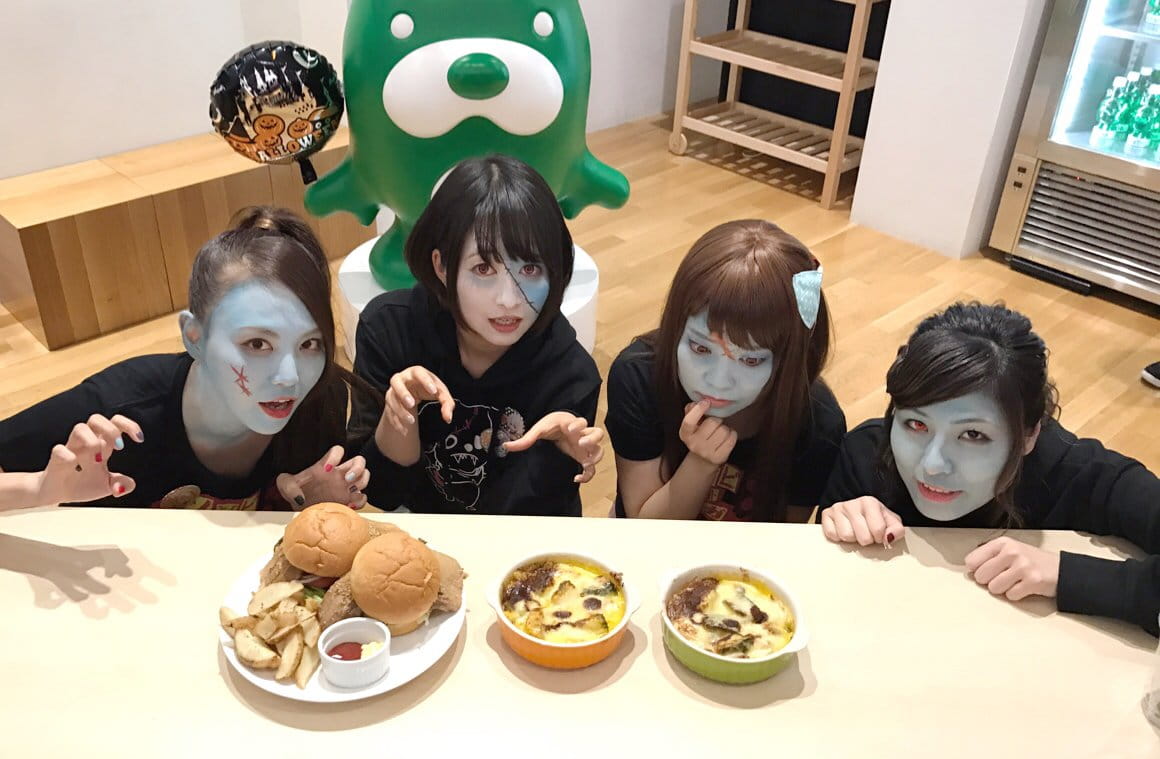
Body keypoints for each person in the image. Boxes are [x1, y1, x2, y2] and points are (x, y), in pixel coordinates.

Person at [0, 206, 377, 511]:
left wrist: (303, 503)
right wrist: (39, 488)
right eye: (257, 344)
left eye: (309, 344)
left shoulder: (318, 400)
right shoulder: (121, 410)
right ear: (194, 337)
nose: (290, 377)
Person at [820, 302, 1160, 635]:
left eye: (973, 435)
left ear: (1030, 435)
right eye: (916, 424)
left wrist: (1065, 575)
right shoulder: (865, 456)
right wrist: (841, 521)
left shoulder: (1077, 472)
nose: (932, 465)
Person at [348, 155, 603, 516]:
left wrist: (562, 454)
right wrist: (399, 415)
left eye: (530, 268)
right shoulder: (389, 330)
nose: (509, 300)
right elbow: (383, 493)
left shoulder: (571, 373)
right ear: (441, 265)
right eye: (483, 268)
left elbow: (537, 522)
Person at [605, 219, 846, 522]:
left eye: (751, 361)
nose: (718, 382)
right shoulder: (639, 377)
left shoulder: (817, 425)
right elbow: (644, 529)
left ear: (790, 360)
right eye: (700, 348)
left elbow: (781, 539)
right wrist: (701, 463)